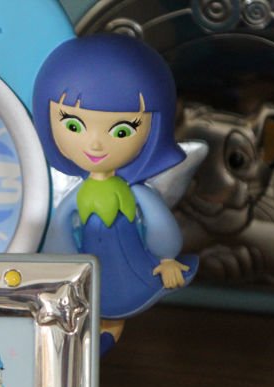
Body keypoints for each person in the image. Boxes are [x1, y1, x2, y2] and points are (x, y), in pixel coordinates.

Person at [32, 33, 201, 353]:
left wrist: (166, 259)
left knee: (110, 321)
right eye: (74, 126)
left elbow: (161, 228)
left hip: (128, 269)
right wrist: (61, 271)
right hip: (84, 276)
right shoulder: (73, 198)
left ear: (154, 129)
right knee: (79, 326)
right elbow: (59, 237)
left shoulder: (137, 194)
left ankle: (98, 350)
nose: (95, 144)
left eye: (121, 131)